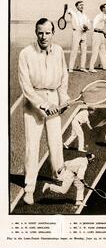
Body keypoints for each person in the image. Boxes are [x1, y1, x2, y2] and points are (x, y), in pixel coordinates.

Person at [18, 18, 70, 205]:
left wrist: (63, 98)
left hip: (54, 98)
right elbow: (26, 87)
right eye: (40, 32)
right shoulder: (25, 54)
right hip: (33, 105)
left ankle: (58, 175)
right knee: (32, 146)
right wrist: (44, 105)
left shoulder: (59, 51)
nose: (44, 36)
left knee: (55, 142)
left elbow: (64, 77)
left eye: (47, 33)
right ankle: (29, 188)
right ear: (36, 32)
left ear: (53, 33)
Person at [67, 1, 90, 72]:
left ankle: (82, 67)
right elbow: (69, 11)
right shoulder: (74, 13)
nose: (82, 6)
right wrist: (66, 7)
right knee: (74, 50)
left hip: (84, 34)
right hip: (76, 33)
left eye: (82, 5)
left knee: (84, 51)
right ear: (76, 6)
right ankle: (70, 68)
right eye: (80, 5)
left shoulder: (85, 15)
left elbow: (88, 24)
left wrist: (87, 27)